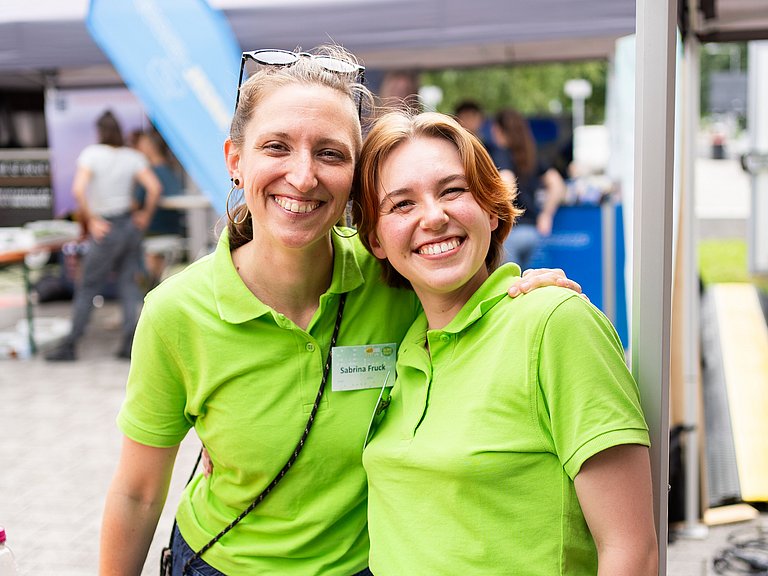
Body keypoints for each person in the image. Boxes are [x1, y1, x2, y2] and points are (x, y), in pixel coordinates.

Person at [98, 45, 582, 576]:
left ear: (356, 178)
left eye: (330, 154)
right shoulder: (176, 313)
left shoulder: (397, 276)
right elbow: (137, 493)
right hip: (222, 562)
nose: (303, 177)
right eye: (276, 147)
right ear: (236, 161)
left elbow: (477, 311)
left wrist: (527, 291)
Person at [353, 110, 658, 575]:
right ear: (375, 240)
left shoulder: (555, 323)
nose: (433, 217)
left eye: (452, 191)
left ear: (492, 208)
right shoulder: (405, 347)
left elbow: (631, 551)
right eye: (402, 204)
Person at [45, 110, 162, 362]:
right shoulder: (132, 157)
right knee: (128, 285)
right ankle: (130, 345)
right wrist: (144, 215)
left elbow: (78, 190)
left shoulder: (92, 154)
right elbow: (154, 187)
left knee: (88, 286)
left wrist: (92, 221)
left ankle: (70, 344)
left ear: (99, 131)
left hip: (106, 228)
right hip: (129, 226)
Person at [492, 107, 566, 270]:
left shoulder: (501, 154)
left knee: (510, 284)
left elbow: (507, 182)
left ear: (499, 130)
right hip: (533, 234)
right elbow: (557, 184)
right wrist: (546, 215)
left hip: (510, 235)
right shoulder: (531, 156)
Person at [132, 128, 186, 286]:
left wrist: (145, 215)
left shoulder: (150, 173)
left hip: (153, 233)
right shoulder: (172, 171)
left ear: (149, 146)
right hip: (173, 231)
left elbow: (152, 192)